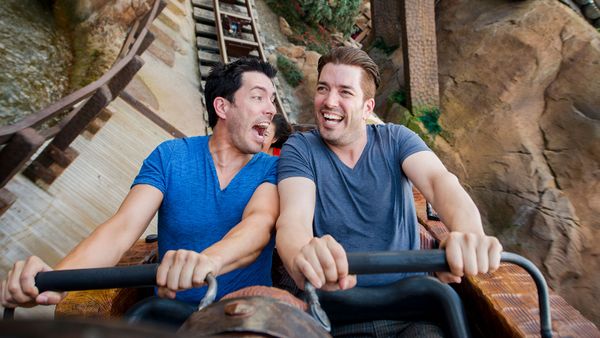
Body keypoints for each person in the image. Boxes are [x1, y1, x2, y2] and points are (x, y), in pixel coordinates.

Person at [1, 57, 280, 308]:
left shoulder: (274, 168)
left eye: (273, 100)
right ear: (222, 106)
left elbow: (257, 227)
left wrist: (207, 261)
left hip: (243, 314)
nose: (271, 109)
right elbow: (122, 228)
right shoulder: (171, 156)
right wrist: (55, 282)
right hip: (170, 308)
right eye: (259, 97)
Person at [275, 47, 503, 336]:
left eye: (345, 92)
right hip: (339, 314)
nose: (329, 101)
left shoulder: (396, 139)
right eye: (323, 88)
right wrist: (302, 255)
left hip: (412, 312)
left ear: (367, 108)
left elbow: (439, 181)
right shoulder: (301, 149)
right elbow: (293, 219)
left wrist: (468, 233)